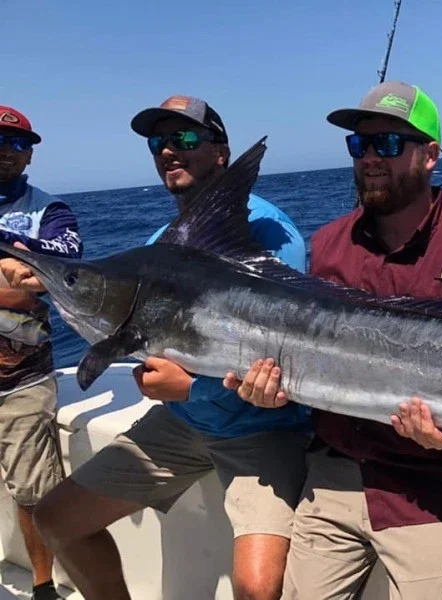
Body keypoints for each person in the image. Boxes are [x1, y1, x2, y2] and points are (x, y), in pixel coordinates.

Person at [226, 80, 442, 600]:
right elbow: (305, 360)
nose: (370, 157)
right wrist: (273, 391)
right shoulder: (328, 246)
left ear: (430, 155)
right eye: (359, 144)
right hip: (336, 475)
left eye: (387, 143)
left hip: (438, 486)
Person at [32, 96, 311, 600]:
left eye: (184, 138)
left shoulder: (272, 234)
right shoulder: (162, 241)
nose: (167, 151)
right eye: (158, 142)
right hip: (182, 425)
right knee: (55, 519)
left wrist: (193, 388)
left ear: (221, 152)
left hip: (261, 430)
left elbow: (287, 355)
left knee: (257, 587)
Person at [0, 105, 83, 600]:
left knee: (34, 491)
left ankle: (43, 586)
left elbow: (64, 262)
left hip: (22, 379)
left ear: (29, 154)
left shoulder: (51, 211)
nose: (6, 152)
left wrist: (10, 251)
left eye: (17, 143)